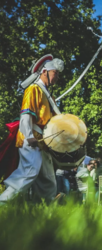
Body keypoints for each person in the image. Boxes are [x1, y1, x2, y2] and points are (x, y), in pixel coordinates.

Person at [0, 56, 65, 204]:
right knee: (28, 173)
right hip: (32, 139)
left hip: (44, 142)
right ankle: (2, 203)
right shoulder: (33, 89)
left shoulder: (50, 97)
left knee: (48, 178)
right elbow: (26, 115)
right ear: (44, 71)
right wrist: (29, 136)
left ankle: (47, 207)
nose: (58, 77)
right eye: (56, 72)